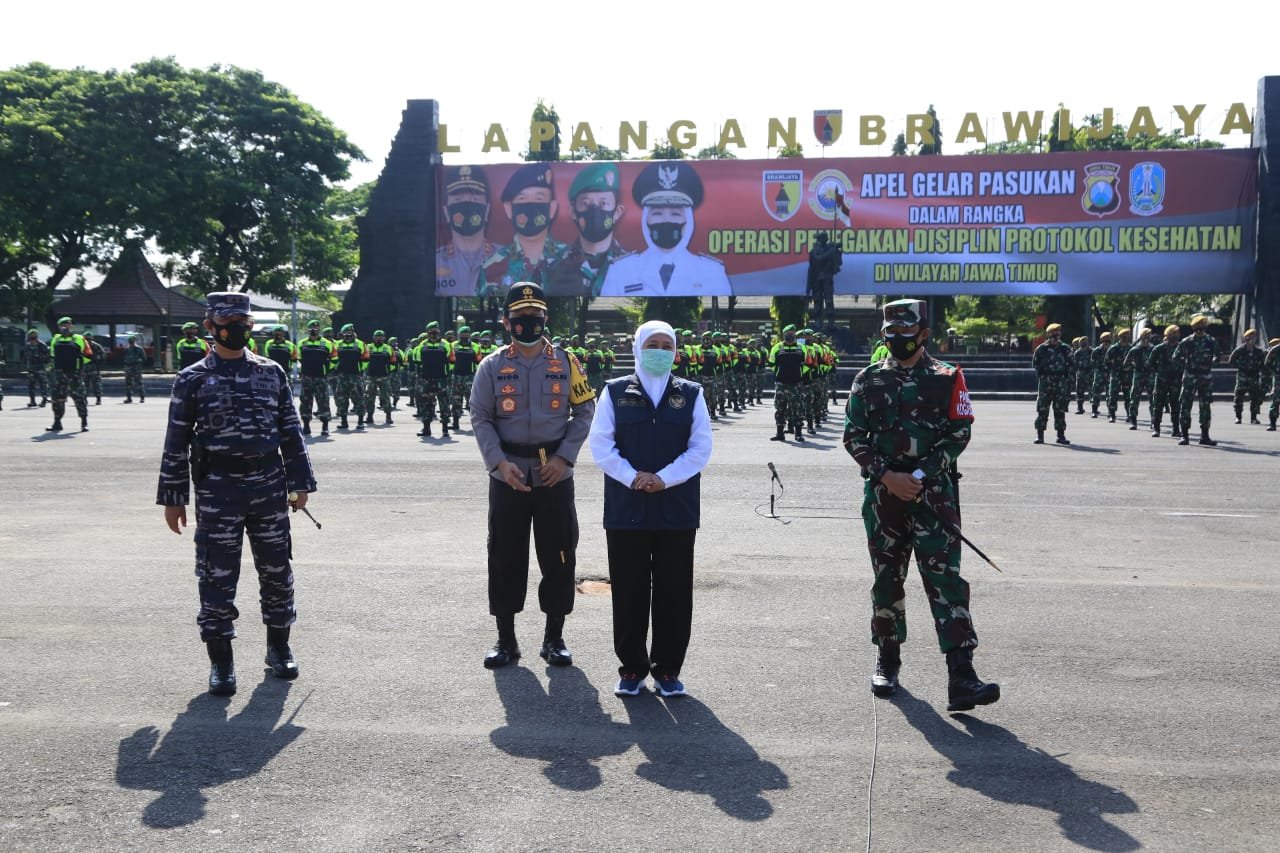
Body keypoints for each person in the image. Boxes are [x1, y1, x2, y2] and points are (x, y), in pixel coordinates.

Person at [156, 292, 316, 695]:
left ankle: (279, 648)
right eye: (228, 321)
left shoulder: (271, 372)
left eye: (243, 321)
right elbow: (175, 441)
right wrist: (174, 497)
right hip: (218, 489)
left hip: (268, 485)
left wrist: (301, 484)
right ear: (210, 326)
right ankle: (221, 662)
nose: (237, 328)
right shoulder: (192, 378)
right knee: (216, 574)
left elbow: (290, 432)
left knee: (277, 569)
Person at [843, 298, 998, 712]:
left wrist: (921, 475)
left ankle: (961, 676)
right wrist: (888, 475)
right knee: (887, 577)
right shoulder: (868, 379)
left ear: (924, 335)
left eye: (905, 336)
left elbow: (958, 433)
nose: (896, 342)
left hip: (934, 497)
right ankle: (887, 659)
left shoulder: (948, 378)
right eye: (890, 335)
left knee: (945, 580)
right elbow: (854, 437)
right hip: (883, 498)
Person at [469, 282, 595, 669]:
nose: (527, 324)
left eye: (535, 318)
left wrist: (565, 459)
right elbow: (481, 416)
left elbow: (585, 411)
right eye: (520, 318)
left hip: (553, 474)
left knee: (559, 553)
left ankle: (554, 637)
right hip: (508, 474)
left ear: (546, 319)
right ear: (507, 321)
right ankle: (506, 639)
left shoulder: (566, 362)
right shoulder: (492, 365)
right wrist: (497, 463)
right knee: (504, 554)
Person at [588, 320, 712, 697]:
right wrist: (633, 477)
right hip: (628, 508)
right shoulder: (613, 391)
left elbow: (700, 448)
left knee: (675, 591)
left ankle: (668, 670)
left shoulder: (691, 393)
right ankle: (632, 668)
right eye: (652, 344)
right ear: (638, 347)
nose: (659, 351)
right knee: (629, 590)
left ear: (675, 351)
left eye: (666, 345)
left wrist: (663, 478)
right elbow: (601, 445)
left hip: (676, 508)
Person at [600, 161, 731, 297]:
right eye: (657, 213)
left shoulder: (712, 271)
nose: (666, 220)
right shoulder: (620, 270)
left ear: (688, 221)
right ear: (646, 220)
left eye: (675, 214)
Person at [546, 162, 630, 297]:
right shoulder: (552, 267)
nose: (595, 210)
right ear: (573, 212)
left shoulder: (634, 266)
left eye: (604, 203)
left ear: (617, 212)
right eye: (585, 203)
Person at [484, 164, 567, 290]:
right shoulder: (492, 265)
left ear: (552, 208)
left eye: (539, 199)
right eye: (522, 199)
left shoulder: (569, 259)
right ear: (508, 209)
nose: (530, 206)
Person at [436, 165, 496, 298]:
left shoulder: (505, 257)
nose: (467, 204)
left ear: (486, 210)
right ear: (446, 212)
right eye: (458, 200)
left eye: (475, 199)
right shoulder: (437, 261)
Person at [1174, 314, 1220, 446]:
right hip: (1190, 376)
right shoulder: (1187, 341)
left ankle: (1204, 436)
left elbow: (1218, 355)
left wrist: (1214, 361)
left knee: (1205, 407)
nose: (1200, 330)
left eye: (1202, 327)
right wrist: (1186, 364)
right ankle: (1184, 435)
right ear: (1194, 328)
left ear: (1206, 328)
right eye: (1197, 328)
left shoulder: (1211, 341)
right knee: (1185, 406)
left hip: (1205, 376)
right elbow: (1176, 356)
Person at [47, 316, 93, 432]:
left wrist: (78, 362)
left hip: (74, 374)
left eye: (66, 324)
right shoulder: (56, 339)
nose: (64, 327)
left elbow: (89, 355)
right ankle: (57, 423)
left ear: (70, 326)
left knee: (79, 398)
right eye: (62, 325)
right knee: (57, 399)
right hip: (59, 374)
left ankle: (84, 422)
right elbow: (53, 356)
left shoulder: (79, 338)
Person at [1032, 323, 1072, 444]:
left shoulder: (1065, 348)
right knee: (1042, 409)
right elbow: (1036, 364)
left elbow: (1071, 365)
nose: (1056, 335)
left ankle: (1061, 435)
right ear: (1048, 334)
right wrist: (1043, 376)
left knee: (1060, 410)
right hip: (1046, 383)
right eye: (1053, 333)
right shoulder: (1041, 349)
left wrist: (1068, 381)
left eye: (1058, 332)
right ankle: (1040, 435)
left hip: (1060, 382)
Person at [769, 324, 809, 441]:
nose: (790, 334)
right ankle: (780, 433)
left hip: (796, 383)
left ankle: (798, 433)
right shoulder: (777, 347)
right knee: (780, 408)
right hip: (781, 383)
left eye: (792, 333)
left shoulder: (801, 347)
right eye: (788, 333)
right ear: (784, 334)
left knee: (797, 408)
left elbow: (807, 363)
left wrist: (799, 373)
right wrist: (780, 372)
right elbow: (771, 364)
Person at [414, 321, 454, 438]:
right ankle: (426, 428)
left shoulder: (446, 344)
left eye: (436, 331)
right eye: (431, 332)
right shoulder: (422, 345)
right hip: (426, 379)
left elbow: (452, 361)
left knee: (444, 404)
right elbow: (417, 362)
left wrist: (445, 373)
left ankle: (445, 429)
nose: (433, 334)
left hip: (441, 379)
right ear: (427, 332)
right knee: (426, 404)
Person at [297, 321, 335, 436]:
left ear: (319, 329)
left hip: (321, 377)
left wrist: (326, 371)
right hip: (307, 377)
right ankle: (306, 426)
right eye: (311, 328)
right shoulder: (302, 343)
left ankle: (325, 426)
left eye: (316, 328)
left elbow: (335, 360)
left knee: (323, 401)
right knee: (305, 402)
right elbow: (299, 358)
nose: (314, 330)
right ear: (308, 330)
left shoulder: (327, 343)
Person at [1149, 325, 1183, 438]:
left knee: (1175, 406)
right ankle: (1156, 428)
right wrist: (1159, 372)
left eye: (1178, 333)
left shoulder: (1181, 347)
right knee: (1158, 405)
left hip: (1176, 381)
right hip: (1161, 381)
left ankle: (1176, 429)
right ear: (1170, 334)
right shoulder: (1159, 348)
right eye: (1175, 333)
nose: (1178, 335)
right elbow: (1150, 363)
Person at [332, 323, 368, 431]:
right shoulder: (337, 344)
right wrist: (335, 369)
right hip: (342, 376)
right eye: (346, 332)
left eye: (350, 332)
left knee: (359, 398)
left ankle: (360, 422)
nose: (348, 334)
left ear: (353, 332)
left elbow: (366, 359)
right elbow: (333, 359)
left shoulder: (360, 344)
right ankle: (344, 422)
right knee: (342, 399)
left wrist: (359, 369)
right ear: (342, 333)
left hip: (355, 376)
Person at [1227, 329, 1265, 425]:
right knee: (1238, 397)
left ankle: (1254, 418)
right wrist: (1240, 366)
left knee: (1255, 398)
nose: (1251, 340)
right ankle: (1238, 417)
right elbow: (1231, 360)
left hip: (1254, 377)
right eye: (1249, 338)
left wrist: (1258, 369)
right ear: (1246, 339)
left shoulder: (1259, 351)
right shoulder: (1240, 350)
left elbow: (1264, 363)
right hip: (1242, 377)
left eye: (1253, 338)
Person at [449, 326, 481, 430]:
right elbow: (449, 360)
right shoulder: (452, 345)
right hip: (456, 376)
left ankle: (476, 423)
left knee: (472, 401)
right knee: (456, 400)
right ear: (459, 335)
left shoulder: (476, 347)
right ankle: (455, 422)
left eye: (467, 334)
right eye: (463, 334)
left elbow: (478, 362)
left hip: (470, 377)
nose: (465, 335)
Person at [364, 330, 399, 425]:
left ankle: (388, 416)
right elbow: (364, 360)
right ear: (373, 337)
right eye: (377, 336)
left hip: (384, 377)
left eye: (381, 336)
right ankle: (369, 416)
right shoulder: (368, 347)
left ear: (384, 338)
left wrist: (386, 371)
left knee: (386, 397)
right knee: (369, 397)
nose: (379, 338)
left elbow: (393, 362)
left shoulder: (388, 348)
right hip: (371, 377)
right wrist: (367, 370)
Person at [1105, 328, 1132, 423]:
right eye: (1125, 335)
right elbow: (1107, 361)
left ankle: (1129, 414)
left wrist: (1130, 367)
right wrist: (1113, 367)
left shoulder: (1130, 348)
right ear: (1120, 337)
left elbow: (1134, 361)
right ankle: (1112, 415)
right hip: (1116, 374)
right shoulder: (1114, 348)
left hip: (1127, 375)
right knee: (1113, 395)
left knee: (1128, 396)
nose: (1127, 337)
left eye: (1128, 335)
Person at [21, 328, 51, 408]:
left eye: (33, 337)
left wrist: (46, 366)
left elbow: (48, 358)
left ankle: (44, 400)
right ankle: (32, 401)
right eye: (31, 337)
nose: (32, 339)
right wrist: (24, 365)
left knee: (43, 384)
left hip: (40, 368)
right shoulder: (27, 345)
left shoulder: (42, 345)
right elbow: (25, 356)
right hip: (31, 368)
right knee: (31, 385)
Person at [1089, 331, 1111, 417]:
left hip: (1109, 373)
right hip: (1099, 373)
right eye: (1105, 341)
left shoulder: (1112, 349)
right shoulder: (1097, 351)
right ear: (1102, 341)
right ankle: (1094, 410)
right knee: (1096, 392)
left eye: (1108, 341)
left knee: (1109, 393)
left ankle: (1110, 411)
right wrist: (1100, 366)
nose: (1107, 343)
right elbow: (1092, 362)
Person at [82, 328, 105, 405]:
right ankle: (84, 399)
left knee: (96, 384)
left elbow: (103, 356)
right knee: (85, 384)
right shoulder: (82, 346)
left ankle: (98, 399)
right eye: (86, 339)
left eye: (89, 339)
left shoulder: (96, 346)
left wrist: (97, 362)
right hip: (84, 368)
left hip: (94, 368)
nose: (87, 340)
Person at [122, 334, 148, 403]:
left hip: (136, 367)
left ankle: (142, 397)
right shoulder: (127, 349)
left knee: (139, 382)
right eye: (130, 342)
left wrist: (138, 361)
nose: (131, 343)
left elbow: (144, 358)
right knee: (128, 383)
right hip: (128, 367)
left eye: (132, 341)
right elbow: (123, 358)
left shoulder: (139, 349)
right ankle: (129, 398)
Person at [1071, 336, 1093, 414]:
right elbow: (1075, 364)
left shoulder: (1091, 351)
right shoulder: (1077, 352)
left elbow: (1094, 362)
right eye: (1082, 342)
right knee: (1079, 392)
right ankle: (1080, 408)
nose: (1084, 343)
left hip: (1090, 374)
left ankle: (1094, 409)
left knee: (1092, 391)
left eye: (1085, 341)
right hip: (1080, 374)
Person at [1265, 337, 1280, 431]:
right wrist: (1275, 373)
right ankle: (1272, 423)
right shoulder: (1277, 349)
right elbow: (1267, 362)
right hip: (1279, 379)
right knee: (1275, 401)